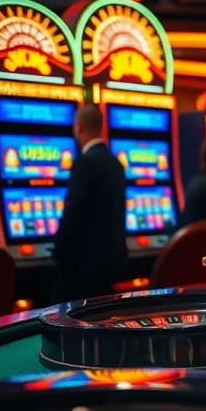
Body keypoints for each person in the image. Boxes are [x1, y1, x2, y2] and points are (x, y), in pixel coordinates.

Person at [51, 105, 127, 302]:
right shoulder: (115, 163)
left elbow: (74, 215)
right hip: (110, 264)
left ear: (79, 127)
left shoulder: (85, 162)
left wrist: (57, 251)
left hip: (83, 269)